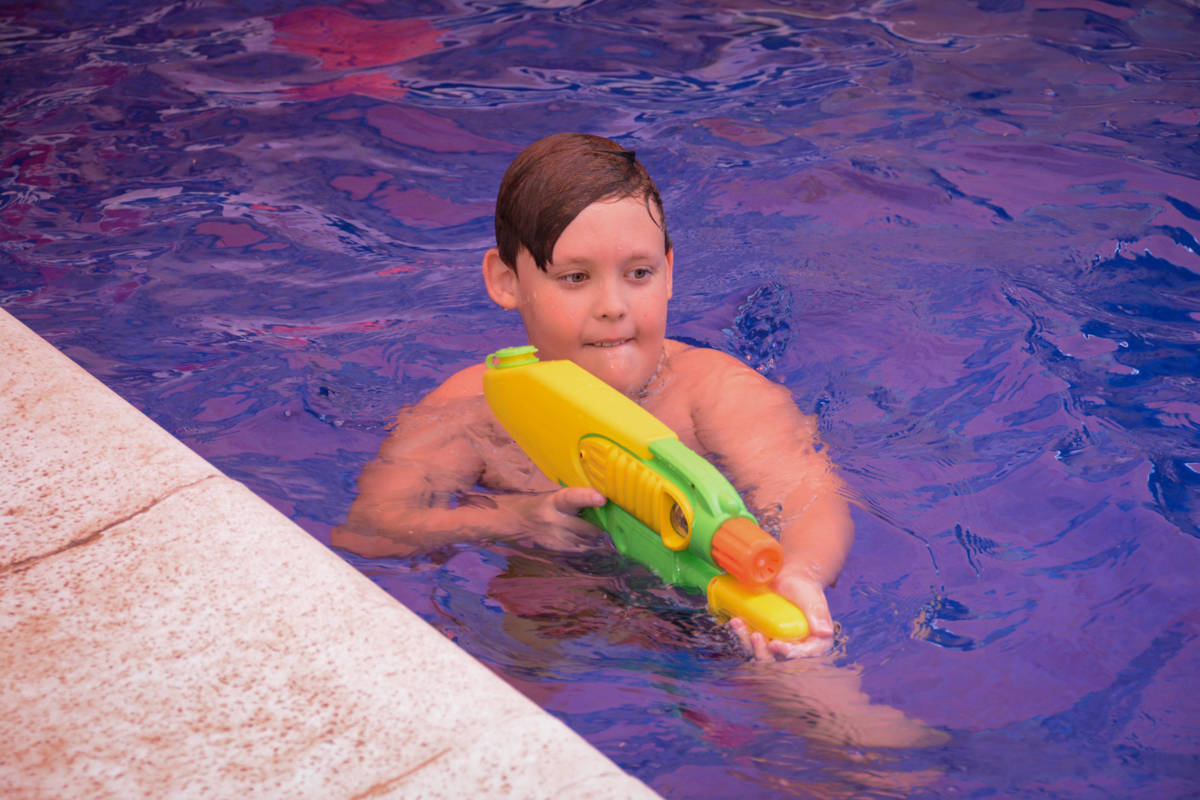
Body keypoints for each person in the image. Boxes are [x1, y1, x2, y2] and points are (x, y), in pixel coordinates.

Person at [332, 132, 855, 659]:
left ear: (669, 272)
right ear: (506, 280)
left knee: (798, 664)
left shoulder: (714, 391)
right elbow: (370, 531)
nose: (613, 305)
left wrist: (800, 572)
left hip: (702, 603)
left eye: (639, 274)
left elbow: (811, 499)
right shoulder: (477, 408)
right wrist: (510, 521)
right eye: (576, 277)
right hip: (549, 597)